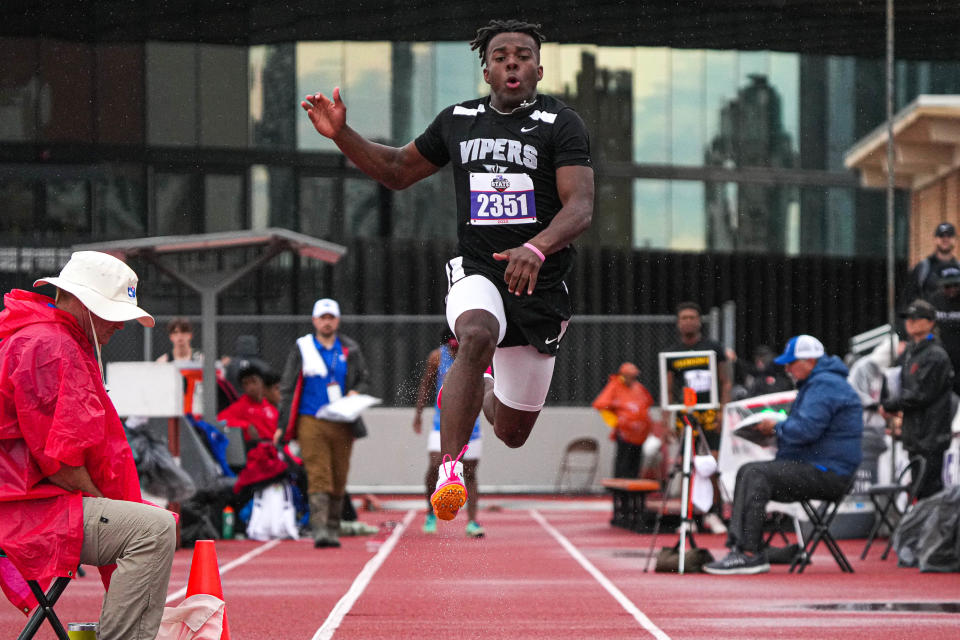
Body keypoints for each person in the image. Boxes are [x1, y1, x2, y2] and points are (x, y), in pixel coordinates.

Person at [301, 19, 594, 523]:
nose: (511, 63)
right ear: (487, 69)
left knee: (511, 432)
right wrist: (342, 134)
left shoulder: (560, 124)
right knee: (476, 332)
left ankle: (480, 388)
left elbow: (581, 205)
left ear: (538, 68)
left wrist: (538, 247)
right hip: (478, 268)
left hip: (541, 283)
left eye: (522, 56)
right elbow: (396, 171)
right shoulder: (459, 120)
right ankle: (452, 470)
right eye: (500, 55)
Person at [0, 251, 176, 638]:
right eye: (115, 313)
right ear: (83, 303)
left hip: (25, 498)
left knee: (146, 521)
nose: (122, 326)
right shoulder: (51, 346)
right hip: (24, 506)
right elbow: (58, 461)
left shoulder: (41, 336)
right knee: (153, 529)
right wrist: (102, 500)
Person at [704, 334, 863, 575]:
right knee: (749, 471)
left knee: (756, 473)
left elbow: (805, 431)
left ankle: (747, 552)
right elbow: (807, 431)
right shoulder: (820, 383)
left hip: (829, 473)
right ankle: (746, 549)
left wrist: (775, 428)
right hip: (822, 468)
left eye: (791, 363)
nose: (787, 369)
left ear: (809, 361)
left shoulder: (825, 385)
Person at [277, 297, 372, 548]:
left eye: (331, 318)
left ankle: (333, 527)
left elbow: (364, 378)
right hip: (311, 420)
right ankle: (320, 530)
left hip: (342, 420)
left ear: (337, 320)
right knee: (319, 475)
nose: (327, 322)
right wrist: (282, 424)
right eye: (323, 317)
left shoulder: (349, 349)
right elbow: (287, 387)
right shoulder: (303, 347)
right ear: (314, 320)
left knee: (339, 476)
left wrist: (355, 392)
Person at [664, 301, 731, 532]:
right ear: (678, 323)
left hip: (710, 411)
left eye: (692, 317)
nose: (688, 321)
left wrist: (723, 410)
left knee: (711, 463)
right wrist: (668, 421)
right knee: (686, 465)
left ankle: (713, 514)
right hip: (686, 413)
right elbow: (667, 389)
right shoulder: (672, 353)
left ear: (699, 320)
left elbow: (726, 381)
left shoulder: (713, 348)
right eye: (684, 318)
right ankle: (688, 516)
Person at [413, 333, 485, 537]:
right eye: (452, 347)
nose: (454, 350)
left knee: (469, 472)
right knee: (436, 464)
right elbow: (426, 385)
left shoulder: (478, 356)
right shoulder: (437, 356)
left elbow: (488, 385)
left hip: (472, 424)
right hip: (441, 423)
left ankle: (472, 522)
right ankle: (430, 513)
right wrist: (418, 414)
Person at [881, 300, 955, 499]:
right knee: (919, 492)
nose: (910, 323)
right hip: (915, 436)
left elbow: (920, 394)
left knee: (929, 493)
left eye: (916, 318)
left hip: (931, 436)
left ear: (930, 322)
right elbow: (893, 381)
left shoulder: (935, 355)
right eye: (908, 319)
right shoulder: (909, 353)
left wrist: (891, 404)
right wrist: (887, 400)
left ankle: (932, 531)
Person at [591, 362, 655, 479]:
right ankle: (620, 490)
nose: (633, 379)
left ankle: (633, 489)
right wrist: (616, 422)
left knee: (635, 463)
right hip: (624, 433)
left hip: (640, 434)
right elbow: (601, 405)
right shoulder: (615, 386)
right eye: (631, 376)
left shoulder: (638, 387)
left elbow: (647, 404)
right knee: (623, 462)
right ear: (624, 375)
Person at [217, 365, 280, 444]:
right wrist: (246, 425)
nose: (251, 387)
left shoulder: (269, 406)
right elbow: (219, 421)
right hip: (256, 449)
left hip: (276, 447)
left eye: (254, 381)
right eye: (246, 383)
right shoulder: (240, 406)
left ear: (262, 383)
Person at [903, 221, 960, 304]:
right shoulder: (922, 268)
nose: (945, 239)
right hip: (929, 316)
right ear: (935, 239)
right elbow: (908, 300)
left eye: (949, 236)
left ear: (955, 240)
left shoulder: (958, 268)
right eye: (941, 236)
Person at [928, 266, 960, 395]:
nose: (952, 289)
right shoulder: (935, 300)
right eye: (948, 286)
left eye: (956, 285)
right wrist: (930, 341)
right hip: (943, 355)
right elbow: (928, 328)